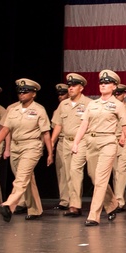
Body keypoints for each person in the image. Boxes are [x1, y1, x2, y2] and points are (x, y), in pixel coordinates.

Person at [72, 70, 126, 226]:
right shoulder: (92, 104)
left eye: (106, 83)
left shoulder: (119, 105)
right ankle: (112, 204)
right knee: (94, 177)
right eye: (101, 83)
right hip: (91, 142)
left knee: (101, 179)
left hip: (108, 142)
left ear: (114, 86)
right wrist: (76, 142)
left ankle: (94, 215)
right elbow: (84, 124)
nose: (103, 85)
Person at [0, 79, 53, 222]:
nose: (22, 94)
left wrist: (50, 152)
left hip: (32, 146)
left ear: (33, 94)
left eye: (26, 91)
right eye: (20, 91)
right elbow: (5, 128)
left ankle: (9, 204)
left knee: (21, 178)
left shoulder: (39, 110)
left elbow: (46, 133)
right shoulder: (13, 109)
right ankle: (35, 209)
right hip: (16, 146)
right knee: (27, 179)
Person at [50, 73, 91, 214]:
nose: (70, 88)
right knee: (67, 173)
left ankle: (75, 205)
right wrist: (51, 143)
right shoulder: (63, 104)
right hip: (65, 141)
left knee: (75, 171)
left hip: (81, 141)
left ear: (81, 88)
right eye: (69, 86)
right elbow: (58, 125)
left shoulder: (89, 104)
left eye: (74, 86)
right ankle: (70, 202)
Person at [111, 83, 126, 213]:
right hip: (112, 140)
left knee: (121, 169)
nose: (117, 95)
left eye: (119, 93)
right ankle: (119, 199)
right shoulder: (110, 106)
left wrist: (124, 136)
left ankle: (119, 201)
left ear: (125, 94)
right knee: (115, 172)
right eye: (115, 93)